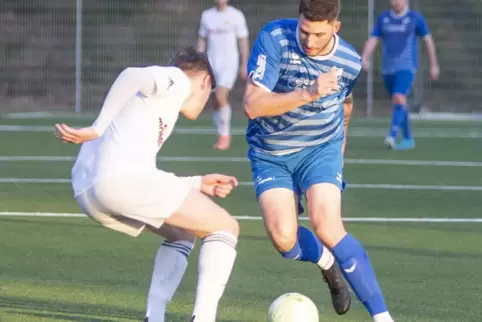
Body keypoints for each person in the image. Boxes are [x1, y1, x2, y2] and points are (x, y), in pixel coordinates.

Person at [55, 46, 239, 322]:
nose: (205, 103)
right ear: (204, 82)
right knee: (226, 226)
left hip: (89, 193)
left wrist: (197, 183)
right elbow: (131, 74)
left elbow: (142, 174)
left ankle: (154, 318)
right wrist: (97, 127)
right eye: (209, 93)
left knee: (183, 233)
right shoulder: (177, 81)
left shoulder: (152, 105)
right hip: (117, 182)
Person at [243, 0, 395, 321]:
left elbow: (346, 103)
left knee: (327, 225)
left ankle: (382, 317)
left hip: (320, 148)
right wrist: (309, 92)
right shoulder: (274, 38)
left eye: (318, 34)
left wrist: (340, 147)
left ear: (335, 27)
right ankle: (327, 264)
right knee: (285, 240)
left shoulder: (349, 62)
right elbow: (253, 106)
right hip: (271, 152)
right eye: (304, 31)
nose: (309, 42)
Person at [361, 0, 439, 150]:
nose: (395, 2)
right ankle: (408, 138)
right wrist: (365, 57)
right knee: (399, 103)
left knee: (399, 97)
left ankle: (392, 135)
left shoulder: (415, 18)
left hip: (407, 67)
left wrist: (433, 64)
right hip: (388, 69)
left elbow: (428, 41)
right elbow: (373, 39)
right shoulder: (383, 18)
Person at [197, 0, 249, 150]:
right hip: (211, 63)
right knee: (214, 99)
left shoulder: (236, 15)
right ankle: (220, 132)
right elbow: (202, 40)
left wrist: (244, 64)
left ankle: (225, 135)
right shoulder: (206, 16)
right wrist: (199, 62)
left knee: (221, 96)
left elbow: (243, 41)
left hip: (229, 63)